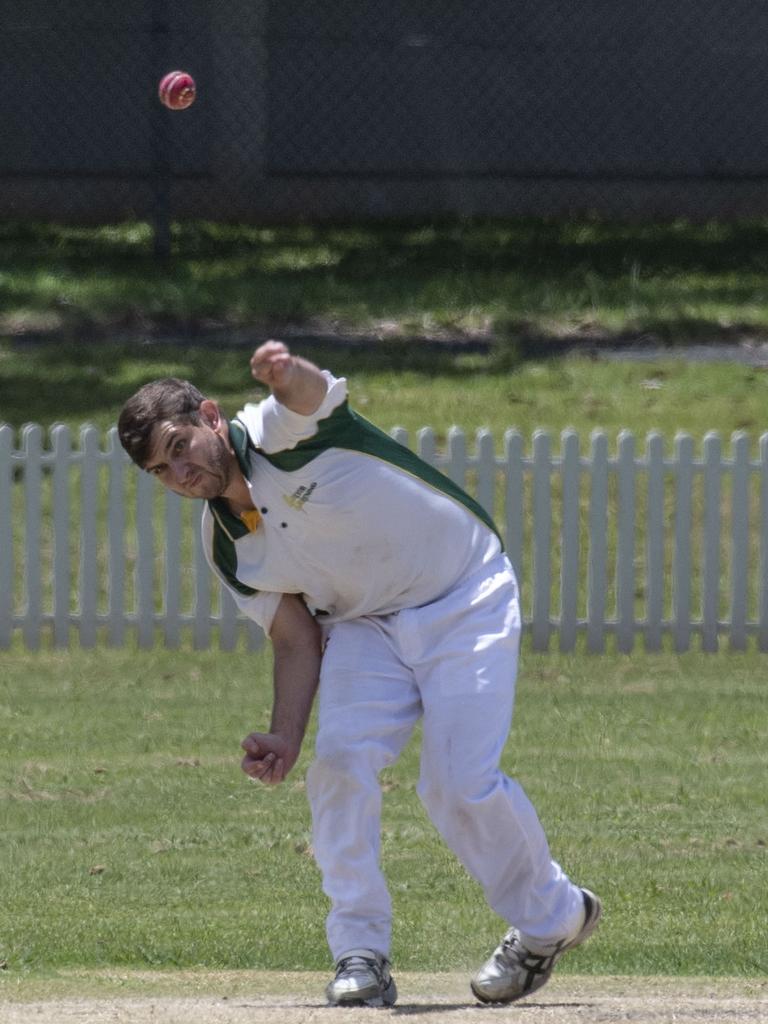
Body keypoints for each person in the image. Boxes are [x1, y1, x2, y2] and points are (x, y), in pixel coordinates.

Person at [117, 340, 601, 1007]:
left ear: (209, 416)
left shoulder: (277, 432)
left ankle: (555, 920)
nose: (180, 469)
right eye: (160, 468)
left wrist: (287, 375)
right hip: (362, 626)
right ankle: (360, 955)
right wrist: (286, 736)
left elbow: (311, 396)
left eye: (179, 444)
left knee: (458, 782)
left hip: (462, 593)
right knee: (338, 765)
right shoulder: (227, 544)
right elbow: (293, 638)